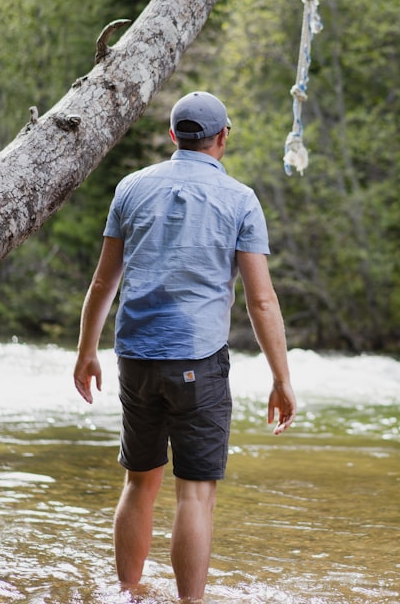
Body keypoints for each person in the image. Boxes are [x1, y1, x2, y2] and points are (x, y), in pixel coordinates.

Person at [72, 91, 297, 603]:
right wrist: (281, 379)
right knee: (194, 494)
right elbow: (261, 301)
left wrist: (87, 350)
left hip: (135, 357)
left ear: (174, 136)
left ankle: (128, 594)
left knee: (138, 482)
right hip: (198, 361)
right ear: (223, 138)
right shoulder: (240, 199)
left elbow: (103, 283)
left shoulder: (130, 189)